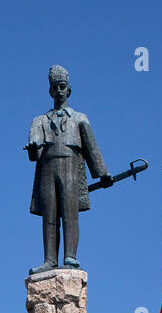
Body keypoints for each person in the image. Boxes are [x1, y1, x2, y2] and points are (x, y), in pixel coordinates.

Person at [26, 65, 112, 271]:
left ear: (69, 89)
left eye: (62, 86)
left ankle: (70, 256)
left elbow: (92, 148)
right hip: (47, 169)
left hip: (72, 168)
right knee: (50, 214)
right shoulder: (39, 121)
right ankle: (49, 260)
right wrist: (32, 149)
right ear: (50, 91)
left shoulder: (80, 119)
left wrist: (102, 174)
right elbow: (34, 153)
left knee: (70, 213)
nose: (58, 91)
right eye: (54, 87)